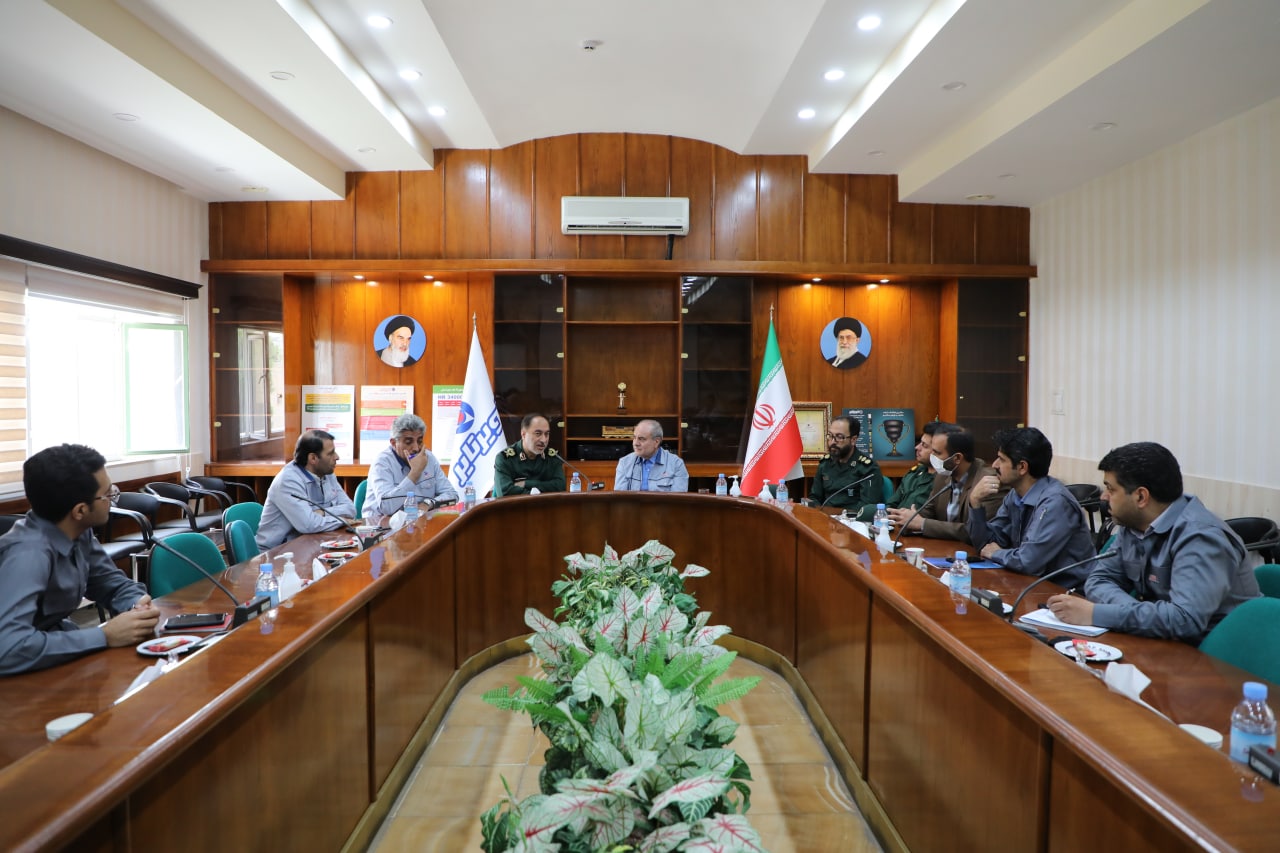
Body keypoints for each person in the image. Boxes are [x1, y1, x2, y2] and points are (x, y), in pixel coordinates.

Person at [1047, 442, 1259, 643]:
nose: (1104, 497)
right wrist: (1135, 614)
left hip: (1214, 653)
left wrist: (1097, 614)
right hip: (1160, 640)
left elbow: (1184, 620)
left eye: (1111, 489)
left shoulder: (1200, 538)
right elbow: (1098, 579)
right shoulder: (1134, 525)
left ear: (1141, 497)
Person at [0, 444, 160, 675]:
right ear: (80, 511)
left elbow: (110, 583)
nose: (113, 499)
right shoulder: (27, 555)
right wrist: (104, 635)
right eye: (107, 494)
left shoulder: (78, 531)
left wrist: (136, 605)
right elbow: (9, 648)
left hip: (53, 654)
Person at [964, 427, 1096, 585]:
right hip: (1028, 582)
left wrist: (997, 553)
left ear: (1022, 467)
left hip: (1065, 590)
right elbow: (986, 545)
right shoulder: (1015, 494)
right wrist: (975, 502)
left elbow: (1028, 561)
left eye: (1002, 459)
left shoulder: (1055, 502)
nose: (994, 464)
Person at [887, 424, 1005, 542]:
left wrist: (923, 524)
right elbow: (927, 513)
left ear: (957, 458)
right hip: (943, 548)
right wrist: (908, 519)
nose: (932, 456)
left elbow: (977, 531)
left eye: (936, 453)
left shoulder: (988, 482)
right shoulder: (942, 475)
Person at [257, 430, 358, 549]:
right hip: (277, 551)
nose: (337, 457)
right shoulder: (288, 481)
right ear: (313, 458)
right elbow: (309, 525)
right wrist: (342, 520)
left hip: (312, 544)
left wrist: (322, 512)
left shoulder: (327, 474)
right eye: (330, 453)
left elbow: (351, 509)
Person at [363, 413, 458, 518]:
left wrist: (428, 503)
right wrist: (414, 473)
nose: (416, 448)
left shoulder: (428, 458)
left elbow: (452, 495)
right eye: (409, 442)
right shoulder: (382, 463)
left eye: (420, 441)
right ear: (394, 443)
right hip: (380, 523)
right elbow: (387, 507)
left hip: (418, 522)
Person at [806, 416, 881, 518]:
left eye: (839, 437)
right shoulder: (825, 464)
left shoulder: (868, 469)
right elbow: (815, 498)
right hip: (825, 519)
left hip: (853, 522)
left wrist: (842, 517)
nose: (833, 442)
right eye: (830, 436)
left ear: (853, 440)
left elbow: (866, 508)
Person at [494, 413, 565, 496]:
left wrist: (526, 483)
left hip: (545, 504)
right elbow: (505, 492)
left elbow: (560, 486)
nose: (544, 440)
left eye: (547, 434)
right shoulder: (505, 458)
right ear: (523, 434)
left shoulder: (553, 456)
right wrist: (538, 494)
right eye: (538, 433)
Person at [614, 419, 689, 492]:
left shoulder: (676, 464)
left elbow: (677, 499)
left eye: (641, 439)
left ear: (656, 442)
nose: (635, 443)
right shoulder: (624, 463)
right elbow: (620, 498)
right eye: (634, 437)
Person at [886, 421, 946, 511]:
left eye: (924, 445)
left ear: (937, 450)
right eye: (920, 443)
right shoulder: (914, 473)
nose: (917, 447)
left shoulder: (944, 481)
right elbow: (891, 504)